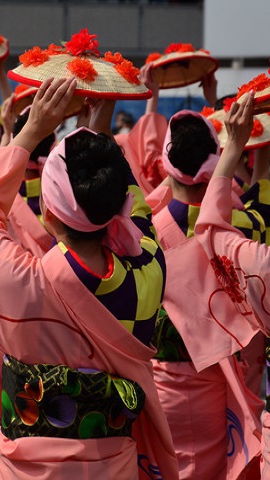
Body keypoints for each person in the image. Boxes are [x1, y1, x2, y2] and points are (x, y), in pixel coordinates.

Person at [0, 77, 179, 479]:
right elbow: (136, 212)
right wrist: (98, 134)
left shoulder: (17, 278)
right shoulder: (150, 267)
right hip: (113, 463)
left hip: (29, 466)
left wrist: (30, 132)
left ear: (50, 213)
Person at [194, 92, 270, 479]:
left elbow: (208, 230)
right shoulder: (256, 221)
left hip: (189, 382)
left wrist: (235, 145)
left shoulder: (262, 261)